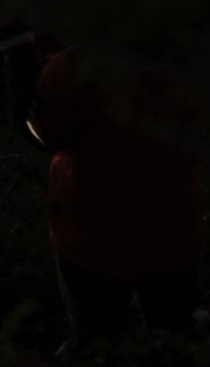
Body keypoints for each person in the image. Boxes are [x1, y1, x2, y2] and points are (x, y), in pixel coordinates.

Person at [28, 45, 200, 341]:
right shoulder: (185, 57)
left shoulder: (78, 66)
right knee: (175, 341)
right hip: (173, 227)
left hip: (92, 235)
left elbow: (44, 130)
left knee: (98, 343)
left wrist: (17, 53)